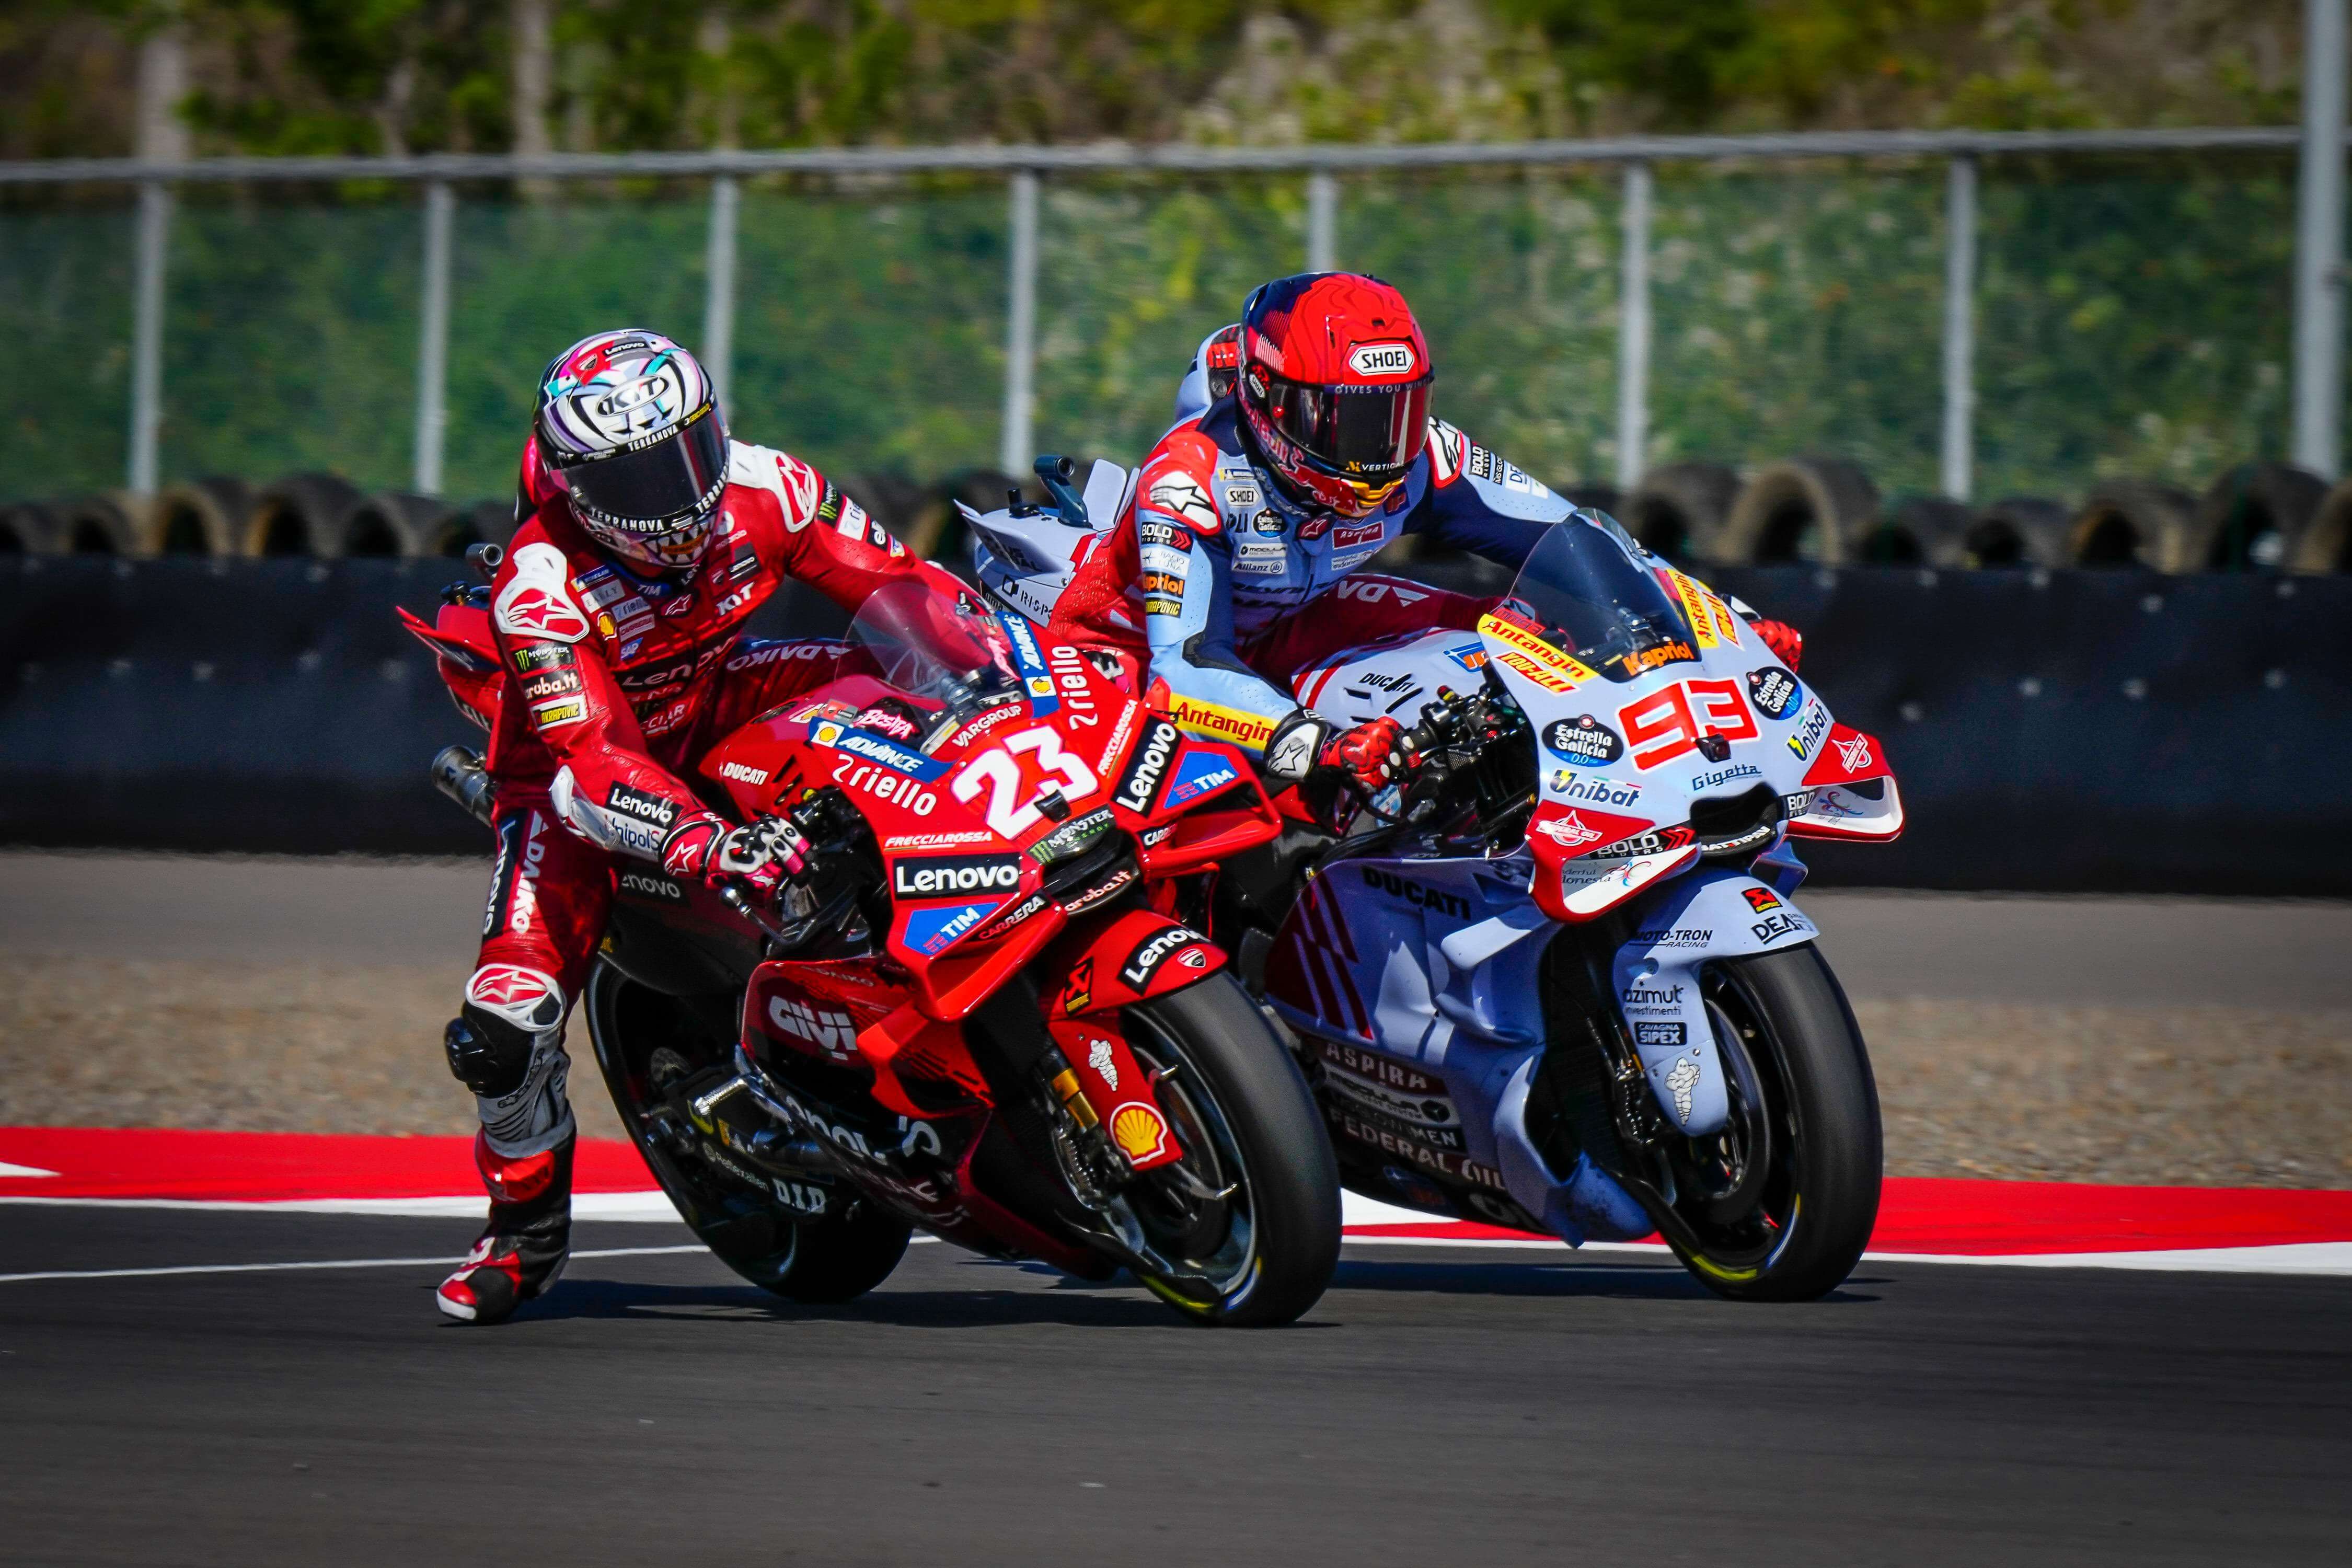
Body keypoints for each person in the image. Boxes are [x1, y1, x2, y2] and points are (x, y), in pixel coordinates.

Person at [435, 328, 931, 1324]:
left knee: (898, 684)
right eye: (637, 478)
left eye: (684, 455)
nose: (674, 497)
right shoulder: (541, 587)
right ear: (573, 484)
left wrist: (995, 667)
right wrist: (706, 841)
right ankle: (521, 1228)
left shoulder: (772, 486)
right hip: (572, 790)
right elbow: (594, 766)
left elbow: (906, 591)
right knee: (502, 1027)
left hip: (714, 700)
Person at [1051, 272, 1801, 811]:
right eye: (1348, 420)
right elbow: (1187, 669)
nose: (1380, 450)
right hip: (1130, 663)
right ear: (1269, 401)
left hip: (1289, 619)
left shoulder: (1425, 458)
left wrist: (1720, 630)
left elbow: (1581, 543)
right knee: (1211, 817)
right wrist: (1307, 741)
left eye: (1398, 413)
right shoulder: (1190, 481)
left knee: (1514, 628)